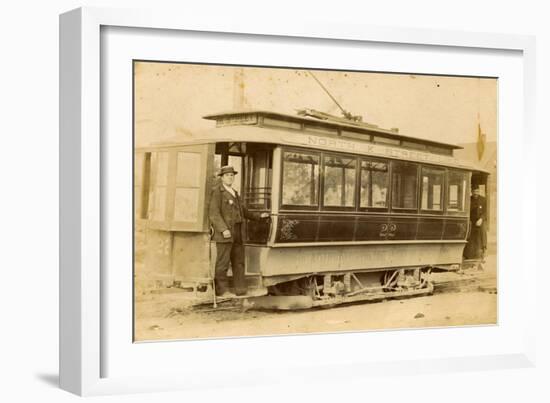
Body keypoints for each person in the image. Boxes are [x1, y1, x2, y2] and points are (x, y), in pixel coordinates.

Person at [208, 165, 269, 297]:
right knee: (223, 262)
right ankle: (222, 290)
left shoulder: (234, 192)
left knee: (239, 261)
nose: (230, 177)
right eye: (227, 175)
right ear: (222, 177)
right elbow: (214, 213)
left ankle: (240, 290)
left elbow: (244, 211)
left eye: (232, 175)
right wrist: (223, 229)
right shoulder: (217, 192)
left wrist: (259, 216)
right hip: (225, 233)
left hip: (238, 232)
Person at [464, 186, 487, 260]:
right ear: (471, 191)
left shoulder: (483, 199)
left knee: (482, 234)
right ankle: (468, 255)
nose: (475, 193)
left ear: (479, 191)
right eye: (474, 191)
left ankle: (482, 252)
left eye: (477, 191)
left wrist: (481, 219)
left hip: (480, 221)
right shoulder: (468, 199)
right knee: (468, 235)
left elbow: (485, 212)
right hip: (471, 221)